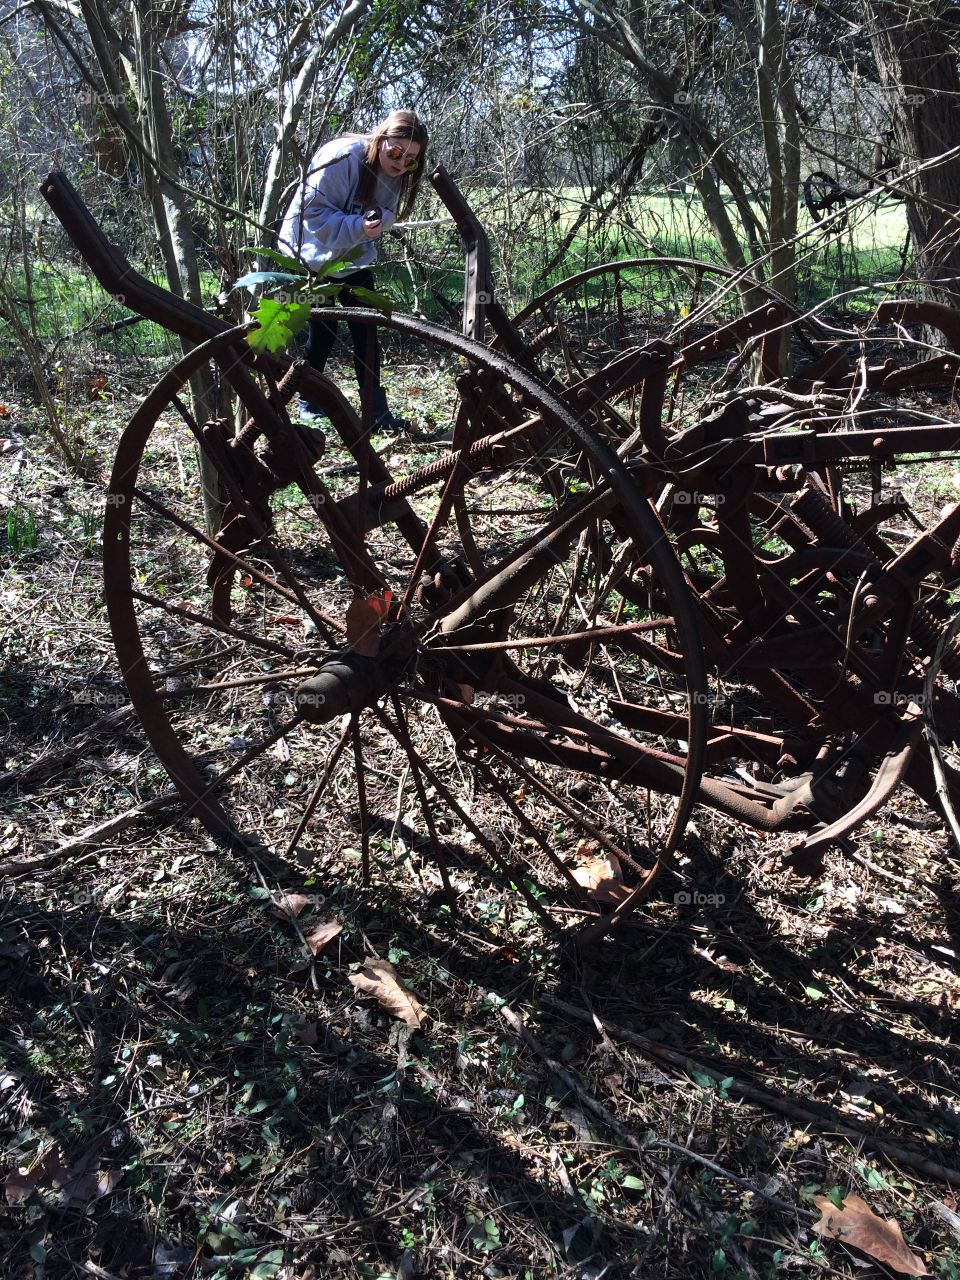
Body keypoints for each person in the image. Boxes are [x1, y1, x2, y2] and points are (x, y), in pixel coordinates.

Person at [278, 110, 428, 433]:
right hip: (309, 252)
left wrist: (374, 223)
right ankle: (308, 400)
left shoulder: (398, 172)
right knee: (324, 331)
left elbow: (385, 213)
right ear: (382, 138)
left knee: (368, 326)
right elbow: (312, 215)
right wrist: (357, 225)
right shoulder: (343, 156)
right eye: (396, 152)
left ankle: (375, 412)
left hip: (351, 256)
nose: (401, 164)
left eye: (411, 160)